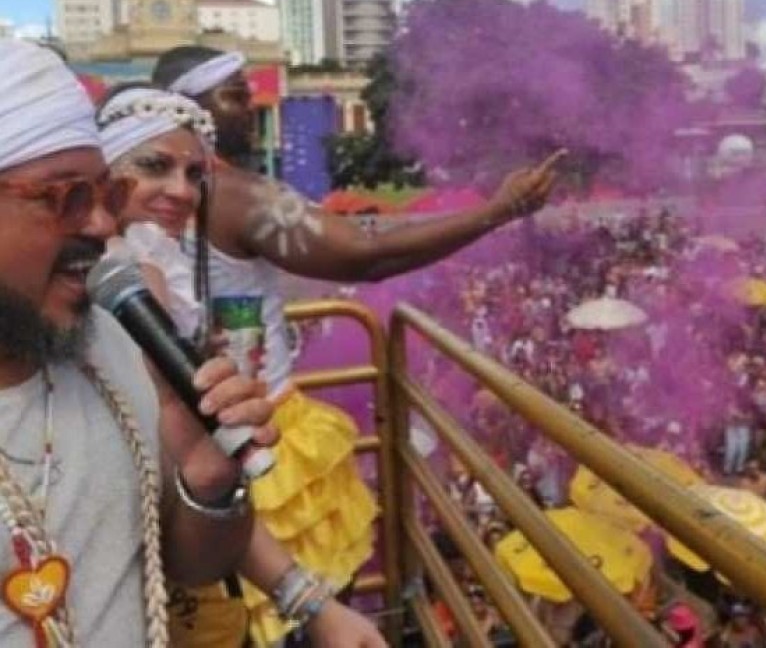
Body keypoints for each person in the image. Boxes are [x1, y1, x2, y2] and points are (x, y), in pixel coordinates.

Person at [153, 45, 564, 641]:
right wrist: (500, 210)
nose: (251, 106)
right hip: (256, 436)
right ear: (192, 112)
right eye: (235, 95)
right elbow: (367, 254)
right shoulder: (231, 192)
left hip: (183, 440)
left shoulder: (137, 196)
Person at [0, 40, 277, 647]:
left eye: (105, 196)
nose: (102, 225)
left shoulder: (110, 344)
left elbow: (193, 566)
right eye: (66, 196)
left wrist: (207, 484)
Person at [96, 84, 386, 647]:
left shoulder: (148, 269)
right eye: (155, 166)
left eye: (195, 174)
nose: (181, 192)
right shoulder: (115, 280)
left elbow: (194, 469)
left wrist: (311, 604)